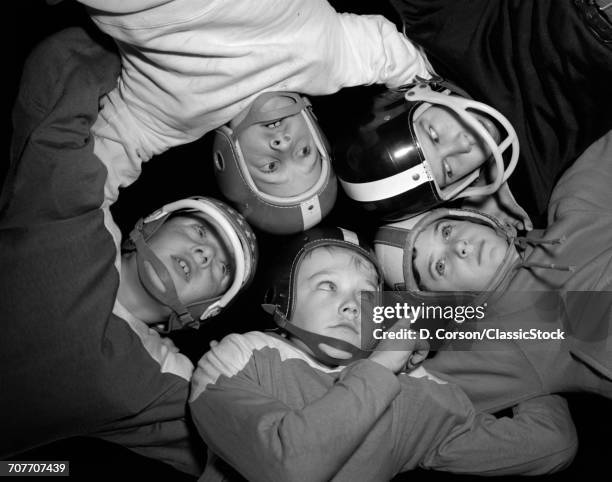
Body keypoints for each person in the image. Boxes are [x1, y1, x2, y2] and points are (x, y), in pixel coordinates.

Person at [0, 26, 256, 475]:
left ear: (202, 314)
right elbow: (59, 78)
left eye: (221, 267)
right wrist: (156, 47)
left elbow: (264, 449)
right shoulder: (72, 219)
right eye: (198, 231)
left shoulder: (163, 389)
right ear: (147, 228)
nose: (203, 254)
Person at [188, 226, 577, 481]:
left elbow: (550, 444)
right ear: (282, 300)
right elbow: (290, 467)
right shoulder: (237, 358)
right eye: (327, 286)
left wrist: (532, 374)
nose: (353, 305)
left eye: (366, 294)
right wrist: (381, 366)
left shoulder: (417, 394)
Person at [69, 0, 432, 233]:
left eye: (271, 168)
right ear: (316, 133)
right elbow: (416, 72)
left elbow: (84, 187)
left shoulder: (174, 114)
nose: (282, 145)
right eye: (303, 154)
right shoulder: (327, 59)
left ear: (232, 163)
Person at [373, 129, 612, 412]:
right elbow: (403, 412)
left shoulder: (575, 207)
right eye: (440, 266)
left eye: (447, 231)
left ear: (472, 218)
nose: (459, 247)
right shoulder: (491, 343)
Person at [334, 0, 612, 228]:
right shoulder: (531, 185)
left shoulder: (435, 23)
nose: (462, 145)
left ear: (416, 100)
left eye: (434, 135)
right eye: (449, 170)